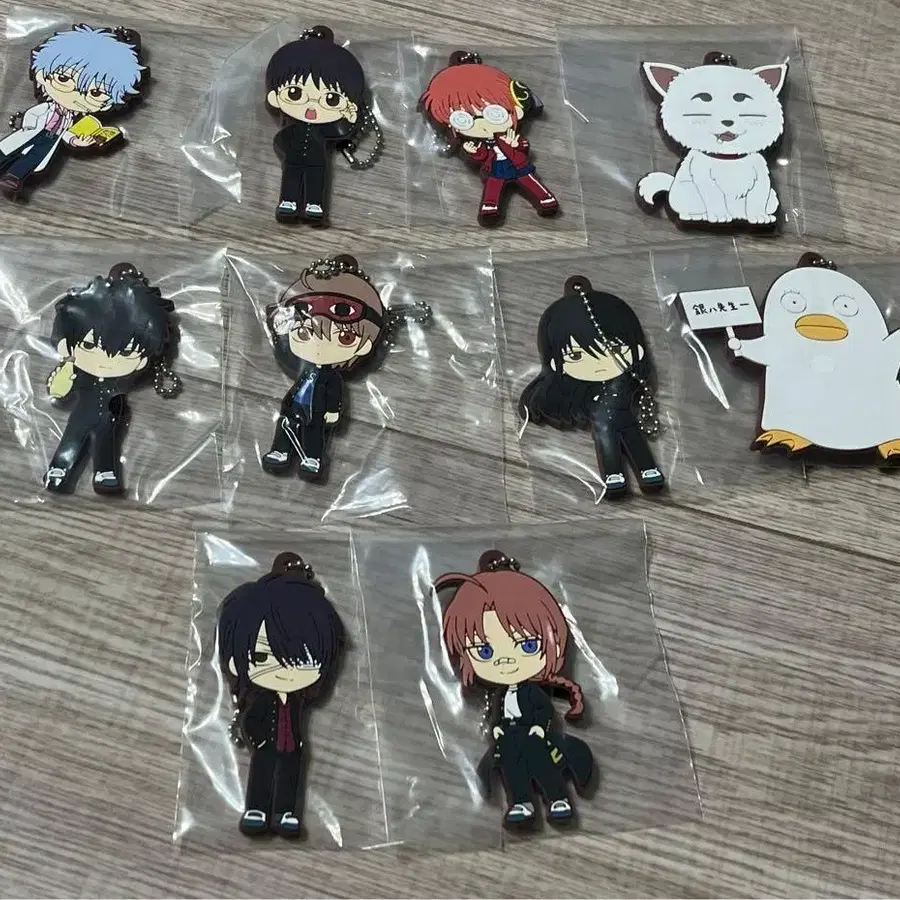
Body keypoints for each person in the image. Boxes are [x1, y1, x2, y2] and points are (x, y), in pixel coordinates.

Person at [437, 550, 593, 826]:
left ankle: (558, 798)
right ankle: (521, 802)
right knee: (512, 769)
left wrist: (540, 728)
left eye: (527, 645)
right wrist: (498, 729)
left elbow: (544, 712)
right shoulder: (500, 695)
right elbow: (499, 716)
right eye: (484, 651)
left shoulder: (532, 692)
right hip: (510, 738)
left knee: (543, 766)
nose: (505, 660)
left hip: (534, 737)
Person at [217, 552, 344, 838]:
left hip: (292, 745)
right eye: (263, 656)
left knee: (290, 772)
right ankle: (257, 809)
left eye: (303, 659)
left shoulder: (299, 700)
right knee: (262, 770)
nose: (286, 671)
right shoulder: (260, 696)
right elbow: (252, 716)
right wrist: (255, 734)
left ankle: (285, 812)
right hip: (264, 743)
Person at [519, 278, 665, 497]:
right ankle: (614, 475)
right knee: (607, 442)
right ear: (555, 363)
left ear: (638, 350)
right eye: (576, 356)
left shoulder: (630, 383)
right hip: (602, 423)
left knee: (635, 440)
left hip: (626, 418)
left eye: (614, 349)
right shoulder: (578, 392)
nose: (598, 363)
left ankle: (648, 470)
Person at [45, 263, 180, 495]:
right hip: (83, 410)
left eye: (126, 352)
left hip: (112, 410)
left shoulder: (126, 380)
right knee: (73, 436)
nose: (106, 360)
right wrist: (63, 378)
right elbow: (61, 387)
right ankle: (59, 469)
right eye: (89, 346)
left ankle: (105, 473)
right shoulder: (78, 370)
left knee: (106, 441)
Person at [262, 255, 383, 479]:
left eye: (345, 338)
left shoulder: (332, 377)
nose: (319, 345)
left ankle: (312, 458)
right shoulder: (303, 369)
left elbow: (336, 392)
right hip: (293, 405)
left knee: (314, 433)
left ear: (365, 345)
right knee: (286, 426)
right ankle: (280, 451)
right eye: (303, 333)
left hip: (317, 411)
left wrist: (334, 411)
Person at [0, 24, 146, 197]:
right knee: (8, 149)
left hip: (51, 141)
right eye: (63, 78)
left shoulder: (79, 120)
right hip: (32, 131)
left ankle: (14, 178)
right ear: (40, 74)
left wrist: (78, 142)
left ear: (108, 103)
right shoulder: (46, 107)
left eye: (95, 93)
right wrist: (29, 125)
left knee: (33, 159)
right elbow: (33, 115)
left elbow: (69, 134)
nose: (75, 95)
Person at [419, 52, 559, 223]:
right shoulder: (476, 141)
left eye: (494, 113)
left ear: (518, 109)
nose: (481, 123)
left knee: (529, 181)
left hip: (517, 165)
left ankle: (545, 198)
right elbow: (482, 156)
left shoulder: (509, 135)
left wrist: (516, 143)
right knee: (493, 185)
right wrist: (473, 152)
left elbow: (522, 145)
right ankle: (490, 207)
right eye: (463, 119)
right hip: (494, 168)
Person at [265, 27, 366, 223]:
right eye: (295, 93)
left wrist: (349, 119)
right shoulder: (292, 127)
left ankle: (314, 204)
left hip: (317, 159)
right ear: (274, 97)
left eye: (331, 99)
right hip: (294, 158)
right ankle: (288, 202)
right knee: (291, 177)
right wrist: (283, 144)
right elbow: (282, 138)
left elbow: (338, 132)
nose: (312, 107)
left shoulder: (327, 129)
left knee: (316, 179)